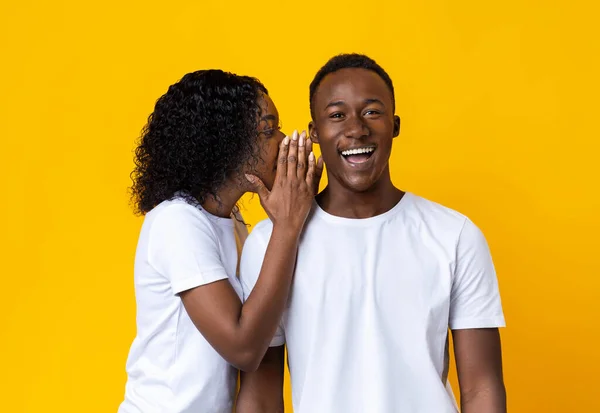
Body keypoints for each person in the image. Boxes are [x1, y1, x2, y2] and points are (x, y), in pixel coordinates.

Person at [237, 54, 506, 413]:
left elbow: (482, 386)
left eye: (372, 112)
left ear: (394, 125)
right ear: (314, 132)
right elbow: (260, 392)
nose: (356, 129)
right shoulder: (272, 242)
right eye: (337, 115)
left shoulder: (454, 235)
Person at [118, 69, 322, 413]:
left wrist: (290, 222)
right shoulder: (178, 221)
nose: (284, 139)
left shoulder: (234, 223)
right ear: (225, 143)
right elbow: (243, 347)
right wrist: (288, 226)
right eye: (268, 130)